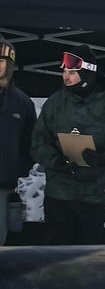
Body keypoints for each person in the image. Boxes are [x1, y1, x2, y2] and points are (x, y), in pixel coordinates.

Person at [30, 45, 105, 244]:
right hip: (59, 194)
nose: (66, 76)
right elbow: (37, 142)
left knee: (86, 258)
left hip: (94, 196)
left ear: (88, 73)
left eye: (71, 72)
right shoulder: (55, 102)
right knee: (55, 255)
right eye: (64, 71)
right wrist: (56, 160)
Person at [0, 42, 36, 245]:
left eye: (2, 60)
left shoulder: (22, 103)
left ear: (11, 64)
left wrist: (17, 167)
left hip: (4, 188)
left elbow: (31, 144)